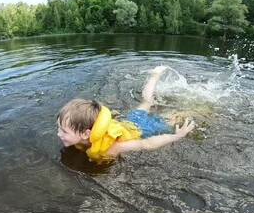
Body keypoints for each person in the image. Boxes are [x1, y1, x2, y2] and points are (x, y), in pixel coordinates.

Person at [57, 66, 196, 162]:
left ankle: (200, 107)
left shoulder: (112, 148)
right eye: (59, 129)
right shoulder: (83, 137)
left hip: (143, 127)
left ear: (86, 134)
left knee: (175, 115)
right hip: (128, 121)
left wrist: (176, 136)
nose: (59, 134)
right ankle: (153, 77)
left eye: (64, 131)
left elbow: (145, 144)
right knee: (146, 103)